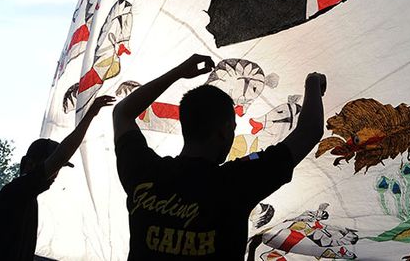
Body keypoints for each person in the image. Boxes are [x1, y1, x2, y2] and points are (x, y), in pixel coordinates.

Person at [112, 54, 326, 260]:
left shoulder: (144, 172)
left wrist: (178, 73)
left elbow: (122, 112)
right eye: (233, 128)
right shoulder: (237, 183)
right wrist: (313, 81)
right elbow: (310, 131)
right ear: (224, 131)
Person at [0, 95, 114, 261]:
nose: (55, 174)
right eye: (53, 166)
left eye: (58, 169)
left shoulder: (18, 194)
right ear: (30, 164)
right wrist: (90, 115)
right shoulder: (19, 190)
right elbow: (63, 153)